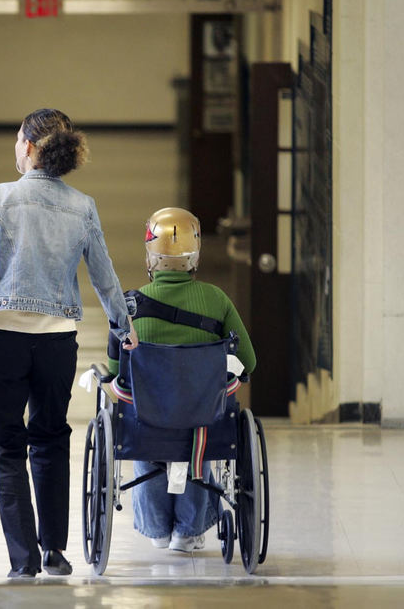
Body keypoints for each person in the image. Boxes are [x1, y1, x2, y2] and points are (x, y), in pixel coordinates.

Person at [0, 108, 138, 579]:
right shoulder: (82, 205)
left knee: (8, 447)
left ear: (28, 145)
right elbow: (105, 276)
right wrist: (124, 327)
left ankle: (23, 561)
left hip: (1, 342)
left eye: (15, 140)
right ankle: (55, 552)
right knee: (50, 440)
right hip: (56, 345)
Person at [106, 207, 256, 553]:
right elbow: (249, 362)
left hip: (147, 423)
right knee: (200, 422)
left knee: (143, 415)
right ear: (195, 257)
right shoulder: (217, 300)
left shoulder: (128, 306)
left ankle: (157, 529)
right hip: (203, 422)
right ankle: (189, 531)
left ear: (151, 257)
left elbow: (116, 372)